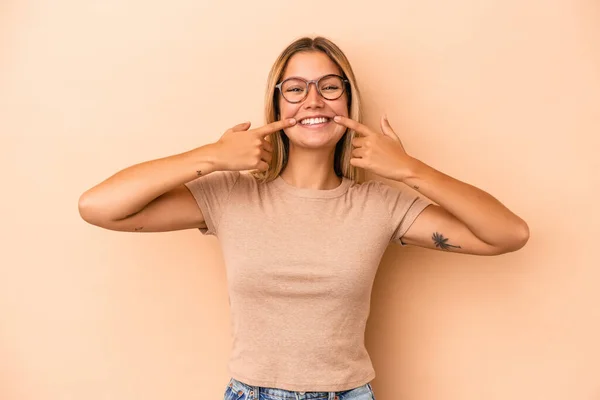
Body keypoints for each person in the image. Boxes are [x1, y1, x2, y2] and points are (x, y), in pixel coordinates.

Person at [78, 36, 529, 400]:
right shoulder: (230, 196)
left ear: (348, 103)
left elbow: (508, 234)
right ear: (276, 105)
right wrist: (212, 156)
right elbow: (99, 206)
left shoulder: (379, 204)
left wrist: (408, 169)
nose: (313, 100)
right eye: (295, 89)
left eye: (329, 87)